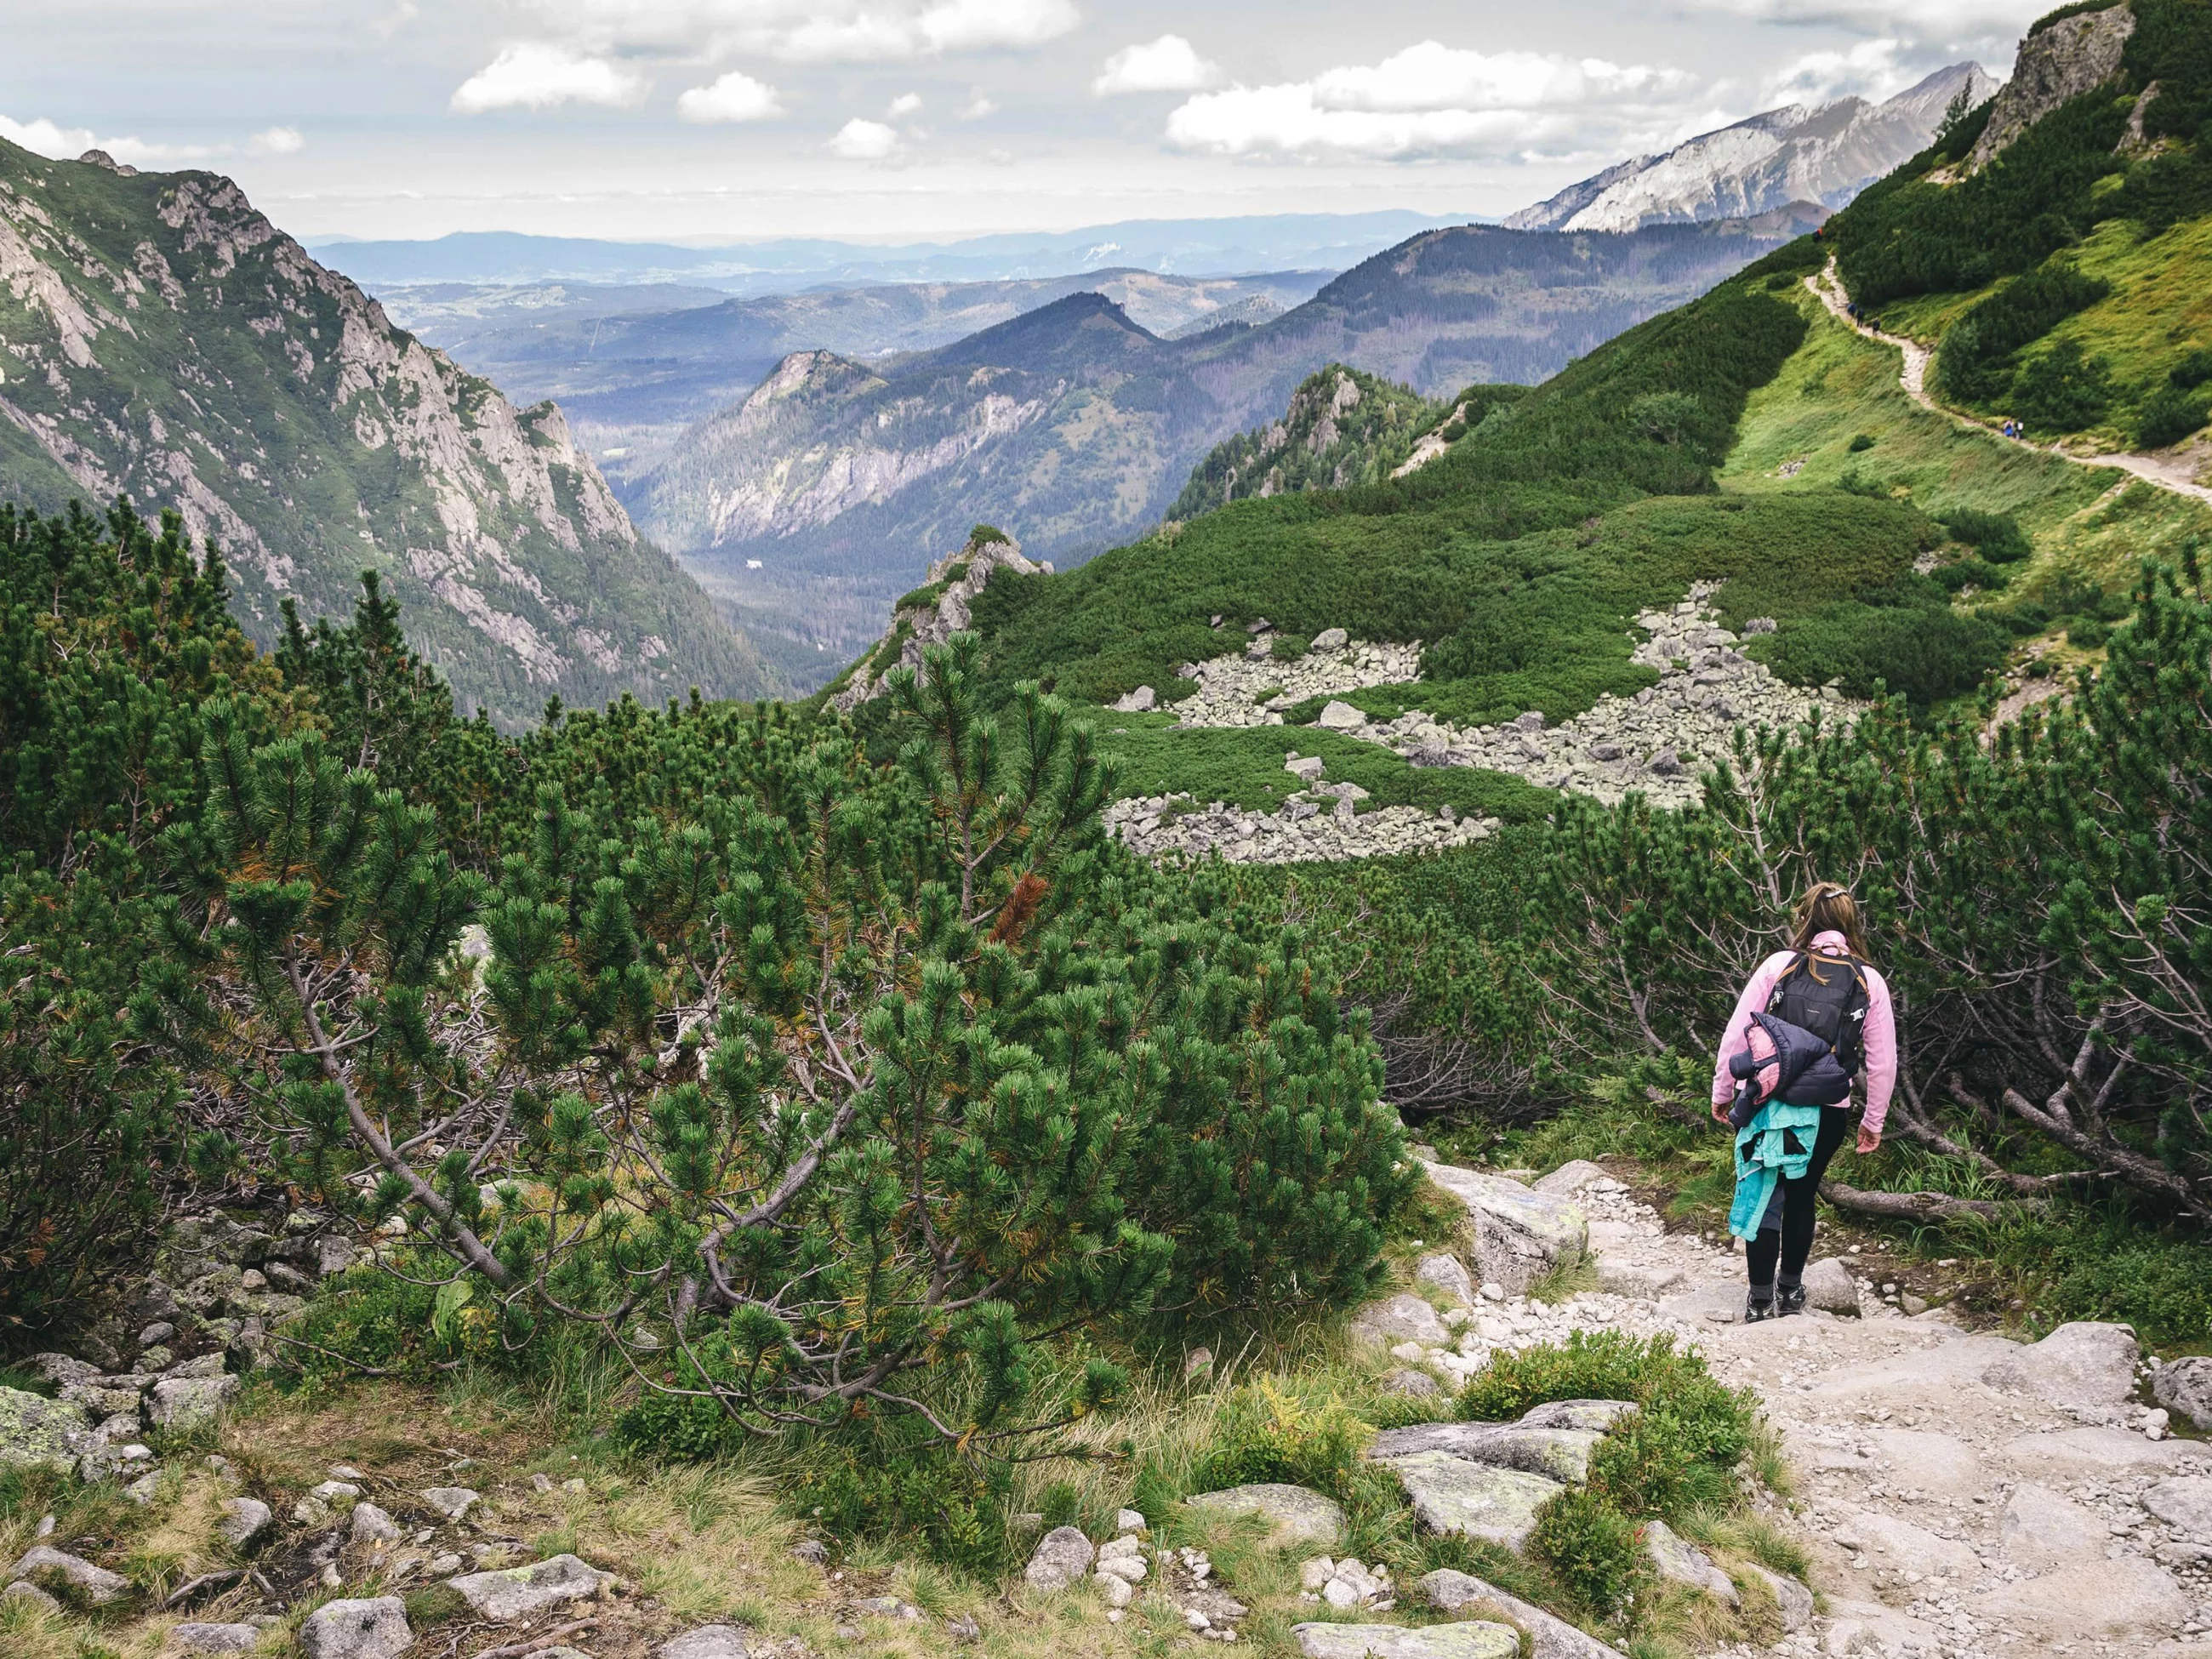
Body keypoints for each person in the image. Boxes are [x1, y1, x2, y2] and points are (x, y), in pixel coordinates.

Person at [1710, 881, 1896, 1321]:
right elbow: (1882, 1062)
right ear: (1851, 925)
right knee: (1802, 1194)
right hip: (1827, 1108)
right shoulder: (1869, 980)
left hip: (1764, 1099)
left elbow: (1738, 1032)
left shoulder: (1779, 965)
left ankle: (1758, 1299)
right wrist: (1874, 1121)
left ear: (1806, 920)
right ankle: (1790, 1291)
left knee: (1762, 1190)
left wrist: (1723, 1091)